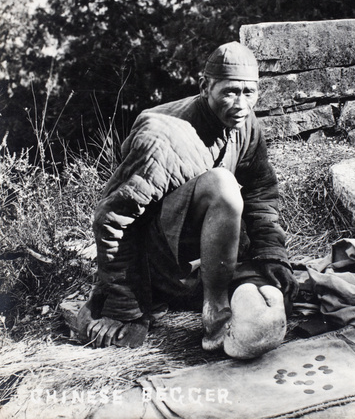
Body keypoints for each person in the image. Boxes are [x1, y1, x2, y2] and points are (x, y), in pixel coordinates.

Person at [77, 42, 298, 358]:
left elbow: (260, 193)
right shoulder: (162, 136)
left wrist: (271, 253)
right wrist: (124, 304)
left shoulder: (246, 123)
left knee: (272, 305)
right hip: (160, 263)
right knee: (222, 184)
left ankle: (217, 289)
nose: (240, 103)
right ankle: (215, 310)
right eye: (230, 92)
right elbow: (113, 220)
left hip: (208, 258)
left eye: (249, 93)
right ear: (205, 86)